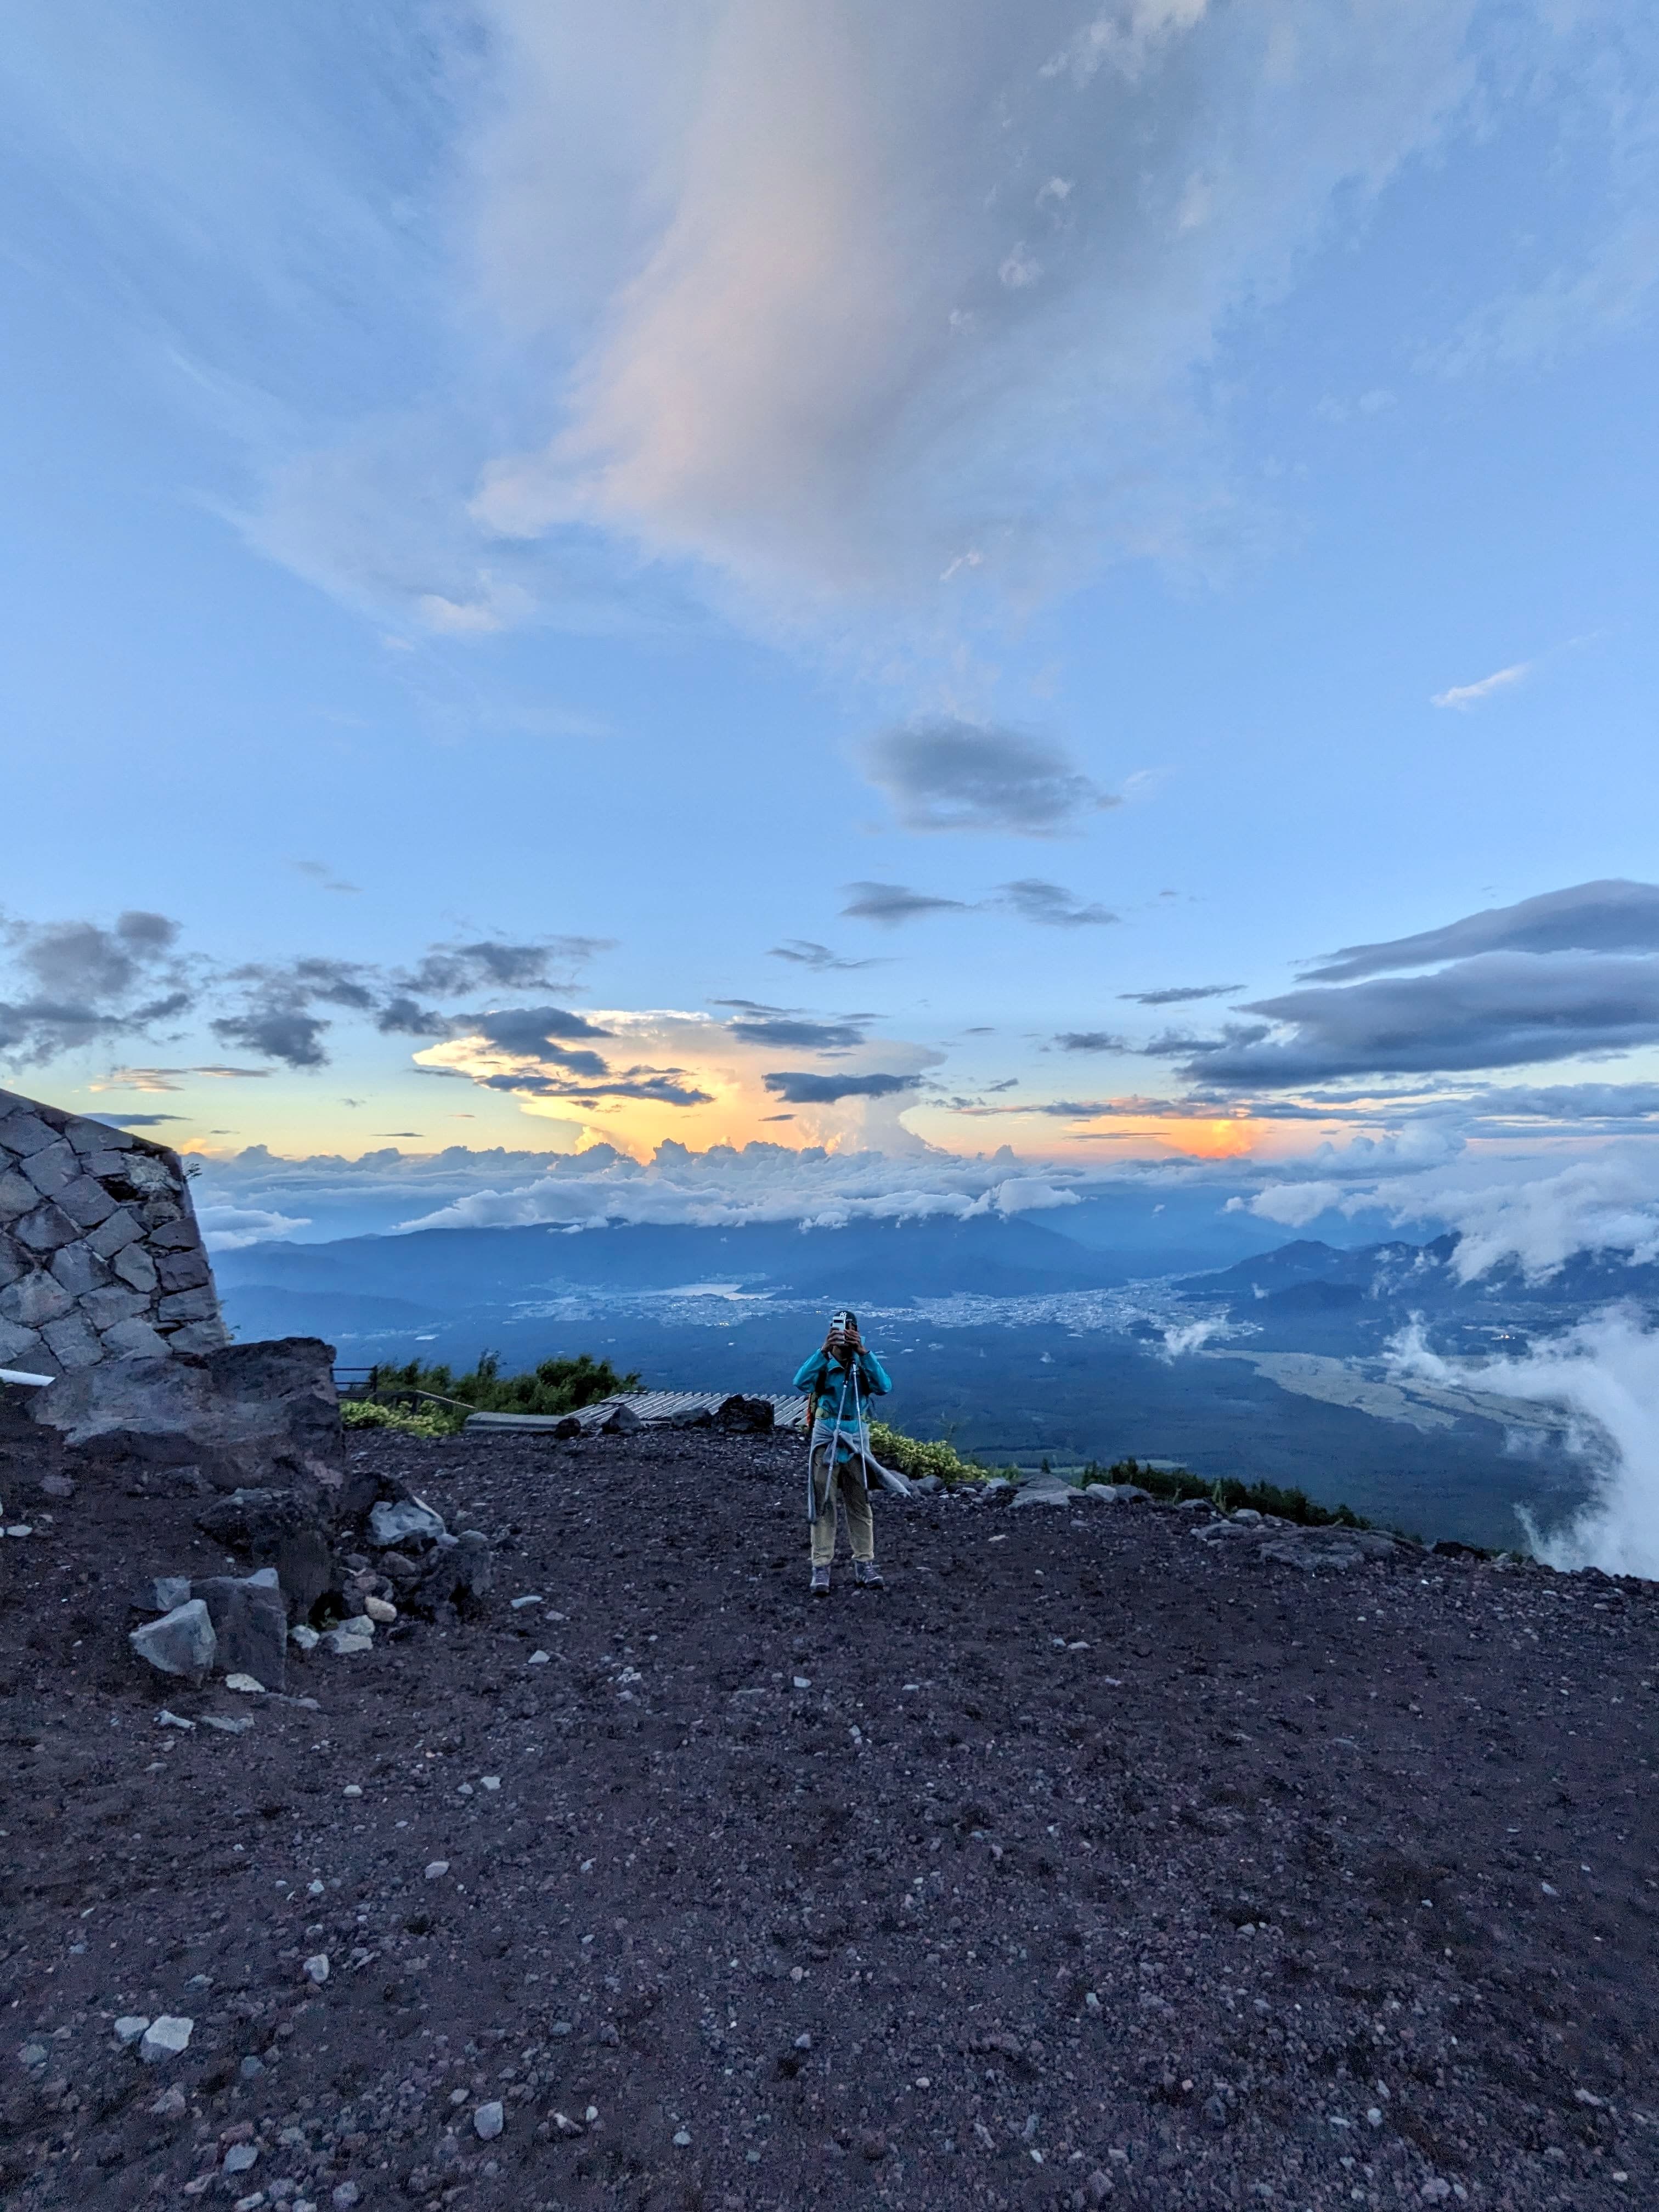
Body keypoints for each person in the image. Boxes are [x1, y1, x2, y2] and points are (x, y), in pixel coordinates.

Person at [793, 1308, 892, 1596]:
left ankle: (864, 1564)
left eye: (848, 1329)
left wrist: (863, 1352)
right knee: (824, 1503)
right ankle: (821, 1567)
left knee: (859, 1503)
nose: (843, 1334)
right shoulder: (824, 1364)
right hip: (827, 1438)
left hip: (855, 1439)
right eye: (839, 1329)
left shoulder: (860, 1364)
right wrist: (823, 1351)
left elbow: (884, 1387)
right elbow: (800, 1383)